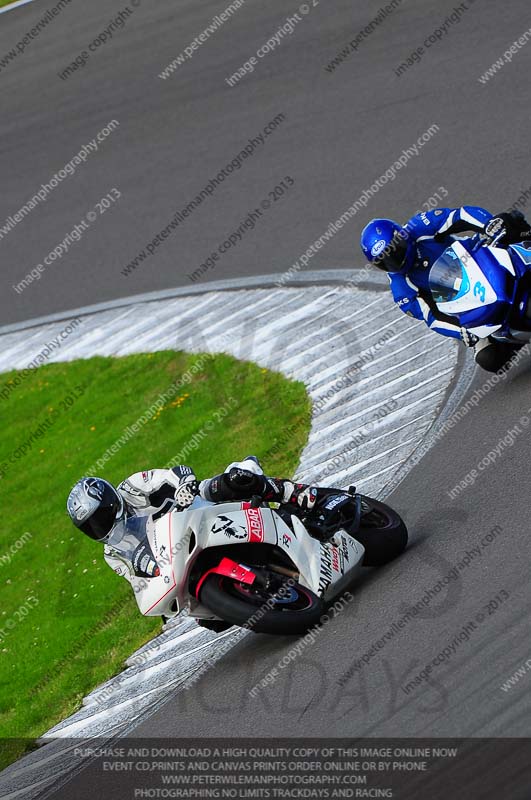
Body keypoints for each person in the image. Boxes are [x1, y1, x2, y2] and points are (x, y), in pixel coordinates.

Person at [66, 458, 332, 585]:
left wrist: (184, 485)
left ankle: (291, 492)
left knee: (232, 481)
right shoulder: (113, 554)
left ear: (110, 502)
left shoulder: (133, 487)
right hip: (185, 557)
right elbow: (140, 584)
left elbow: (175, 473)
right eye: (91, 526)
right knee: (209, 620)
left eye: (100, 517)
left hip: (201, 510)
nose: (99, 527)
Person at [360, 206, 531, 371]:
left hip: (478, 255)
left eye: (396, 251)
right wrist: (461, 331)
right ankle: (513, 340)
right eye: (386, 261)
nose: (396, 261)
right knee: (488, 358)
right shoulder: (402, 291)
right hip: (468, 301)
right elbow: (433, 318)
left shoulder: (420, 226)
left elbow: (459, 216)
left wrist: (487, 224)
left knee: (510, 221)